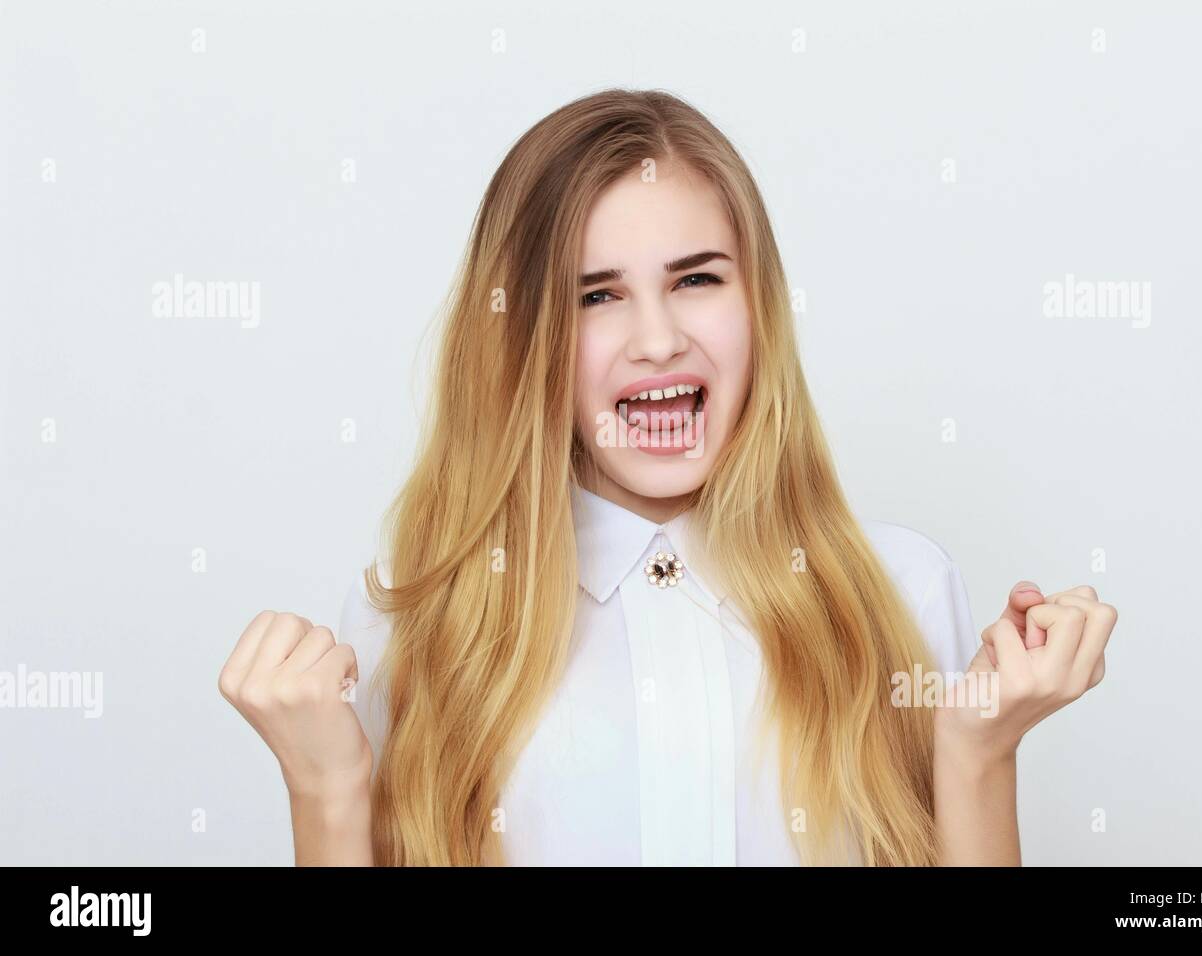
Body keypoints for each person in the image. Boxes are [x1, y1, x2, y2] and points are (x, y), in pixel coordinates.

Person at [218, 88, 1117, 867]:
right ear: (523, 339)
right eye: (595, 295)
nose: (657, 338)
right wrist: (324, 792)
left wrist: (980, 753)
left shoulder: (901, 593)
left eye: (696, 279)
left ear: (756, 306)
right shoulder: (402, 631)